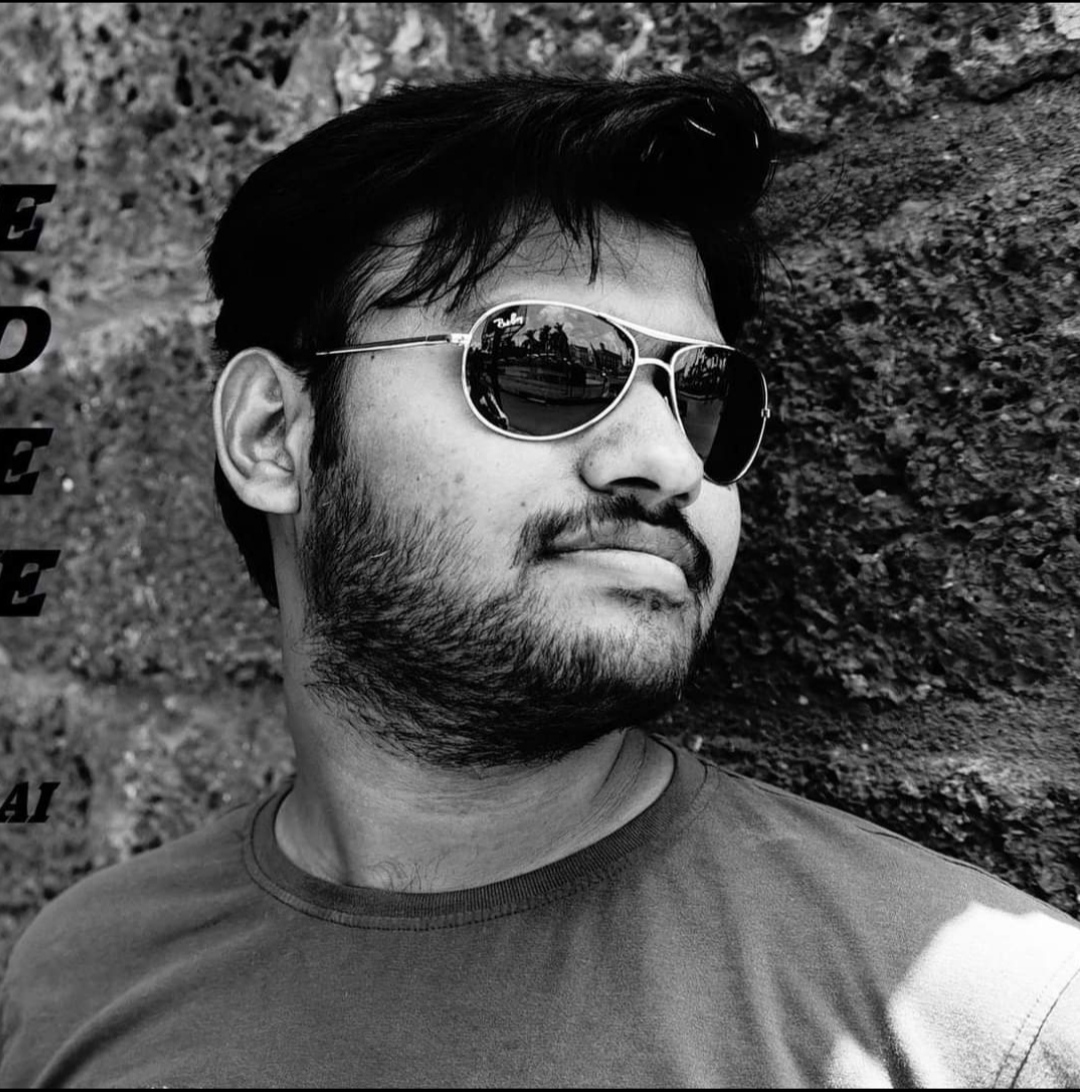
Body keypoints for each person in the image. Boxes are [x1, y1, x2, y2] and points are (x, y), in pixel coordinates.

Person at [1, 71, 1078, 1088]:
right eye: (546, 359)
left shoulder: (990, 1029)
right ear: (272, 434)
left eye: (707, 397)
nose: (668, 460)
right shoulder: (78, 976)